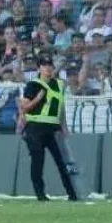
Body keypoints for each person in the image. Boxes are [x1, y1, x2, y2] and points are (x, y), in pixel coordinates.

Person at [16, 54, 78, 202]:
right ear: (39, 68)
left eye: (50, 65)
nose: (48, 68)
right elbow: (24, 108)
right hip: (35, 127)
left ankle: (72, 194)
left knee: (62, 162)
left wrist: (64, 127)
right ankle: (40, 194)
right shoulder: (33, 84)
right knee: (38, 161)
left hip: (53, 129)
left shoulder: (59, 84)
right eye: (44, 65)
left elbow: (60, 107)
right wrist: (37, 99)